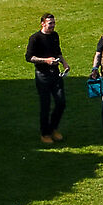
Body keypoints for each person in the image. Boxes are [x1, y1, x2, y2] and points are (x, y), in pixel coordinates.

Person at [26, 13, 67, 142]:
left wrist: (64, 63)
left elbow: (58, 52)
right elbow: (29, 57)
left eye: (54, 23)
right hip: (42, 76)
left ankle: (53, 128)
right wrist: (46, 61)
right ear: (42, 23)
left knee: (61, 102)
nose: (52, 26)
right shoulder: (35, 38)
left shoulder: (55, 36)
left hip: (55, 73)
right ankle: (45, 134)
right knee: (46, 105)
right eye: (50, 23)